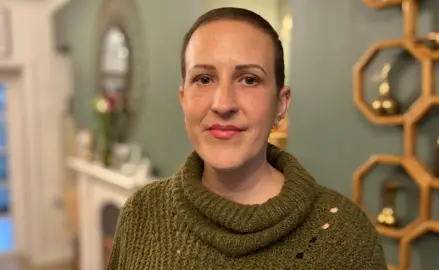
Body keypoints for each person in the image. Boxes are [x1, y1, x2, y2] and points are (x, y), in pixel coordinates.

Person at [108, 7, 387, 270]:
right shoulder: (141, 214)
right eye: (204, 79)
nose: (223, 103)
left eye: (249, 79)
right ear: (184, 100)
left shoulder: (344, 237)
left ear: (281, 104)